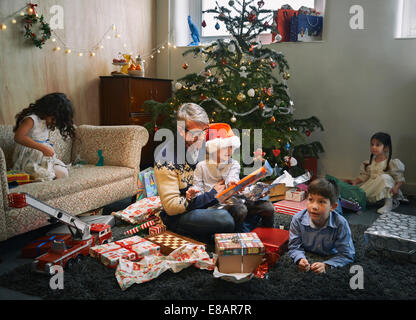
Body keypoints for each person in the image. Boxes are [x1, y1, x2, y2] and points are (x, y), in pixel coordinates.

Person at [153, 103, 273, 243]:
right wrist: (212, 195)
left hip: (217, 200)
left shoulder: (201, 143)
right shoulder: (165, 159)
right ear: (181, 130)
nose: (203, 137)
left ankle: (233, 231)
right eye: (197, 134)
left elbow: (226, 169)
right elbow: (172, 207)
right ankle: (231, 232)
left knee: (264, 201)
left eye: (205, 131)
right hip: (184, 212)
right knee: (225, 220)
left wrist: (243, 187)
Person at [288, 178, 355, 274]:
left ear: (332, 207)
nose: (314, 206)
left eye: (321, 202)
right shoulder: (297, 219)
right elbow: (294, 247)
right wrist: (299, 258)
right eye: (310, 199)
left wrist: (327, 265)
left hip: (330, 254)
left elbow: (347, 254)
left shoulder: (341, 223)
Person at [12, 93, 75, 181]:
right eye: (54, 118)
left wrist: (46, 149)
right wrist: (43, 148)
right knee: (47, 176)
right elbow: (18, 137)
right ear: (47, 110)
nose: (55, 122)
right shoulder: (31, 119)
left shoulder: (46, 121)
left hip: (44, 158)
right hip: (29, 158)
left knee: (63, 173)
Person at [346, 132, 405, 214]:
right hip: (373, 187)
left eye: (377, 145)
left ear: (386, 148)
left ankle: (388, 204)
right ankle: (361, 202)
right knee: (359, 192)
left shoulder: (391, 163)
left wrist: (396, 187)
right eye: (372, 144)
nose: (373, 147)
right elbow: (364, 176)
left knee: (385, 177)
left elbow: (399, 178)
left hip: (387, 188)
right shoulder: (369, 163)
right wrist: (355, 182)